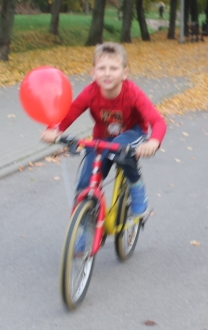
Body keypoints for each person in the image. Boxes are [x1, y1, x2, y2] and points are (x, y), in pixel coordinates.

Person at [41, 42, 165, 220]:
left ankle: (137, 188)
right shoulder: (90, 92)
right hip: (102, 138)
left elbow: (157, 121)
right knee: (85, 183)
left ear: (124, 73)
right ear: (93, 72)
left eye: (113, 68)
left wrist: (153, 142)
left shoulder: (132, 93)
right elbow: (70, 113)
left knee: (120, 148)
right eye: (101, 68)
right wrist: (54, 130)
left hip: (133, 133)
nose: (107, 73)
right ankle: (84, 224)